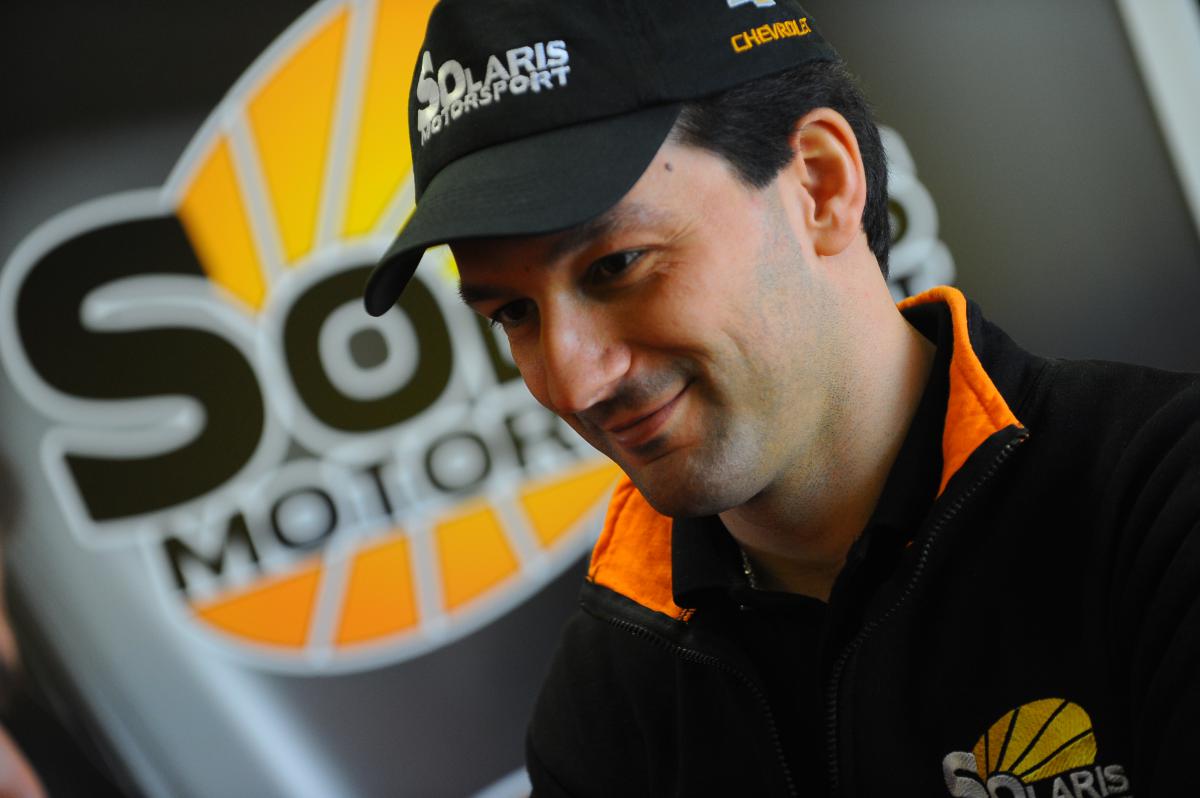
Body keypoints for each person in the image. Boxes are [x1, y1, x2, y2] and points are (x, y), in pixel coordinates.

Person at [364, 1, 1200, 795]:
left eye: (616, 265)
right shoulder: (608, 684)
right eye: (514, 314)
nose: (575, 381)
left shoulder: (1159, 500)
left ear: (820, 186)